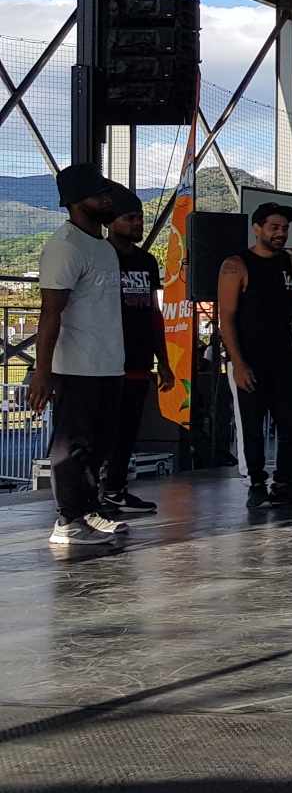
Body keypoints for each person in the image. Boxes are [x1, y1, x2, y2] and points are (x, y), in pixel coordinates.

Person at [31, 164, 130, 548]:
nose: (108, 201)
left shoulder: (102, 246)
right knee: (72, 446)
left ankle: (88, 511)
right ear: (75, 202)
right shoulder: (65, 246)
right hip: (76, 367)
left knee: (101, 443)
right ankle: (68, 521)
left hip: (108, 364)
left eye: (108, 194)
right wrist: (43, 372)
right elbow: (50, 312)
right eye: (100, 195)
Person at [216, 202, 292, 510]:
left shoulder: (291, 264)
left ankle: (286, 482)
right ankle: (257, 485)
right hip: (249, 359)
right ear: (257, 228)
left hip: (284, 357)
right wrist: (239, 363)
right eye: (274, 227)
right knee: (252, 424)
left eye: (285, 228)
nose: (280, 233)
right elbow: (226, 318)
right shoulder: (236, 265)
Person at [99, 186, 174, 515]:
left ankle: (116, 489)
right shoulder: (100, 256)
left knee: (129, 429)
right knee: (102, 429)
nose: (137, 224)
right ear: (111, 222)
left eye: (140, 218)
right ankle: (92, 493)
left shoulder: (145, 261)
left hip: (139, 359)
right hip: (104, 361)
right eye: (130, 218)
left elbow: (153, 314)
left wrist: (165, 361)